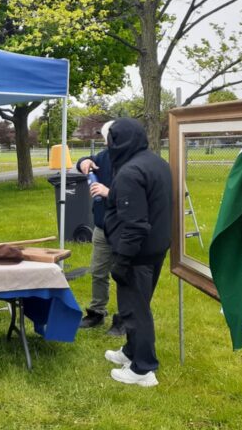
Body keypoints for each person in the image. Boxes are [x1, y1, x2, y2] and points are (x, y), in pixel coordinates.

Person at [102, 118, 172, 387]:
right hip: (155, 248)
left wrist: (122, 260)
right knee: (139, 304)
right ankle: (131, 352)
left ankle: (143, 369)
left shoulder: (130, 172)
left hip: (137, 253)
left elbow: (135, 225)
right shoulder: (156, 162)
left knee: (134, 310)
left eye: (110, 140)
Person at [75, 120, 125, 336]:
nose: (104, 141)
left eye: (106, 137)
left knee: (124, 275)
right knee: (98, 271)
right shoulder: (104, 157)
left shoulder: (133, 161)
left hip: (125, 228)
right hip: (102, 226)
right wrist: (84, 162)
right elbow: (86, 161)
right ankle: (97, 312)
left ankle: (124, 318)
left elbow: (136, 195)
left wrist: (109, 192)